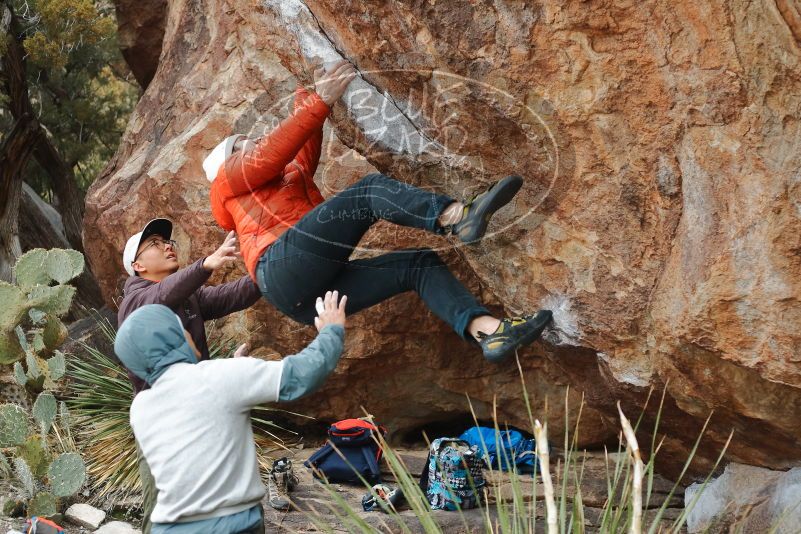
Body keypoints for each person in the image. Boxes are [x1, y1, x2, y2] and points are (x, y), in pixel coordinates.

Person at [203, 60, 552, 363]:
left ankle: (489, 332)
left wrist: (306, 88)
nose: (253, 139)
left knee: (418, 265)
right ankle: (457, 218)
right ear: (228, 157)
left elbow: (299, 149)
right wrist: (321, 99)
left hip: (302, 297)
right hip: (279, 264)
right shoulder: (226, 179)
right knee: (367, 192)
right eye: (243, 140)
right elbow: (271, 153)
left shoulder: (279, 180)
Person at [115, 290, 347, 534]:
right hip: (232, 526)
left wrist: (235, 370)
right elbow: (301, 374)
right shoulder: (220, 378)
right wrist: (332, 330)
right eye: (180, 327)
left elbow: (199, 407)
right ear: (173, 337)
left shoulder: (141, 408)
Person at [118, 218, 261, 533]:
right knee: (159, 510)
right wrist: (206, 264)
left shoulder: (187, 297)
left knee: (211, 502)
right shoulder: (135, 301)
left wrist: (272, 268)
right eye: (154, 243)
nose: (167, 245)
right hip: (161, 422)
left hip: (199, 412)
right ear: (138, 265)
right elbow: (160, 298)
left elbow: (236, 294)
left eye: (166, 241)